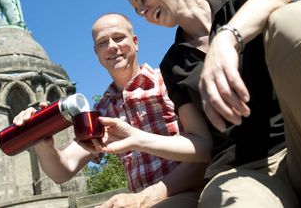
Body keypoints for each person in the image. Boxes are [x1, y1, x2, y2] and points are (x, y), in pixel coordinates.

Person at [123, 0, 301, 207]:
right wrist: (136, 138)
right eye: (137, 10)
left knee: (292, 15)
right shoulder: (172, 64)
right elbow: (201, 141)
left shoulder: (238, 2)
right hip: (243, 172)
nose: (143, 11)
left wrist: (227, 39)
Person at [13, 13, 212, 207]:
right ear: (97, 53)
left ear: (135, 42)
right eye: (102, 43)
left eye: (119, 38)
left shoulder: (168, 82)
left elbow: (205, 150)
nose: (112, 47)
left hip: (190, 193)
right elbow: (62, 171)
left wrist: (145, 197)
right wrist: (41, 141)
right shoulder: (102, 111)